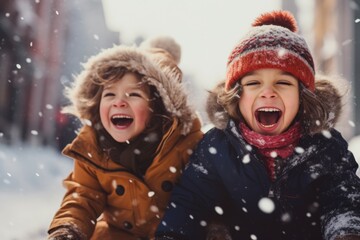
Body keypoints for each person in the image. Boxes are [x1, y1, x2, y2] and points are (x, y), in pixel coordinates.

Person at [155, 10, 360, 240]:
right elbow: (189, 205)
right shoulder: (217, 148)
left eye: (283, 82)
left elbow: (342, 200)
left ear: (303, 96)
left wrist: (346, 233)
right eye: (253, 83)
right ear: (236, 95)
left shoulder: (325, 147)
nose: (268, 92)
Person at [47, 36, 203, 240]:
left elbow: (199, 200)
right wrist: (68, 229)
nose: (119, 102)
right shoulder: (94, 146)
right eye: (109, 95)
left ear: (157, 107)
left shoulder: (185, 143)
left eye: (134, 95)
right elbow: (83, 197)